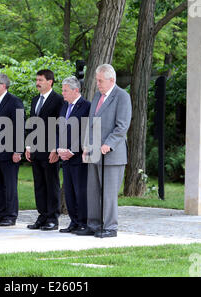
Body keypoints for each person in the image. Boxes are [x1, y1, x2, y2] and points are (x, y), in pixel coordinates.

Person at [79, 64, 132, 238]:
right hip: (93, 152)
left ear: (112, 80)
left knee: (108, 193)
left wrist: (109, 143)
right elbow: (92, 121)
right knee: (92, 191)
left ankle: (110, 226)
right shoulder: (97, 96)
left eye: (100, 81)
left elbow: (122, 126)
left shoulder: (122, 97)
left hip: (112, 154)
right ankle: (93, 224)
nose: (98, 84)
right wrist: (86, 145)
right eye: (97, 80)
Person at [0, 73, 24, 226]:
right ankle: (0, 213)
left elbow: (20, 127)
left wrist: (18, 150)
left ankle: (11, 215)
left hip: (9, 152)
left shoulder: (14, 102)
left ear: (3, 85)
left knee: (9, 185)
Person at [25, 70, 64, 231]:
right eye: (37, 80)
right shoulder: (35, 100)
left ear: (50, 82)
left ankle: (53, 218)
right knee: (39, 184)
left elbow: (60, 126)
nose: (37, 83)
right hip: (36, 149)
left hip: (50, 151)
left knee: (51, 183)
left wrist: (56, 148)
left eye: (40, 80)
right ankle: (42, 215)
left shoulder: (58, 100)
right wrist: (28, 146)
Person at [57, 76, 90, 233]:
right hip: (65, 158)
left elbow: (85, 132)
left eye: (65, 90)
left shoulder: (86, 107)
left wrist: (72, 150)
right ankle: (74, 221)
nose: (62, 93)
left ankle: (83, 222)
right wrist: (58, 148)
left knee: (80, 191)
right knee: (69, 191)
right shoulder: (64, 107)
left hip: (78, 157)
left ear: (76, 90)